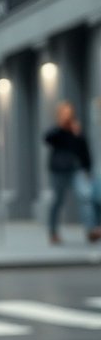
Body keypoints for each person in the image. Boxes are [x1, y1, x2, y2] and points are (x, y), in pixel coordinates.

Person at [44, 101, 100, 244]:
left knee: (85, 197)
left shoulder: (76, 131)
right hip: (59, 170)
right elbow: (47, 138)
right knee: (57, 201)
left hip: (76, 169)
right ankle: (53, 232)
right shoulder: (56, 131)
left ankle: (91, 230)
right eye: (65, 114)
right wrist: (62, 128)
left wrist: (88, 168)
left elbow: (84, 149)